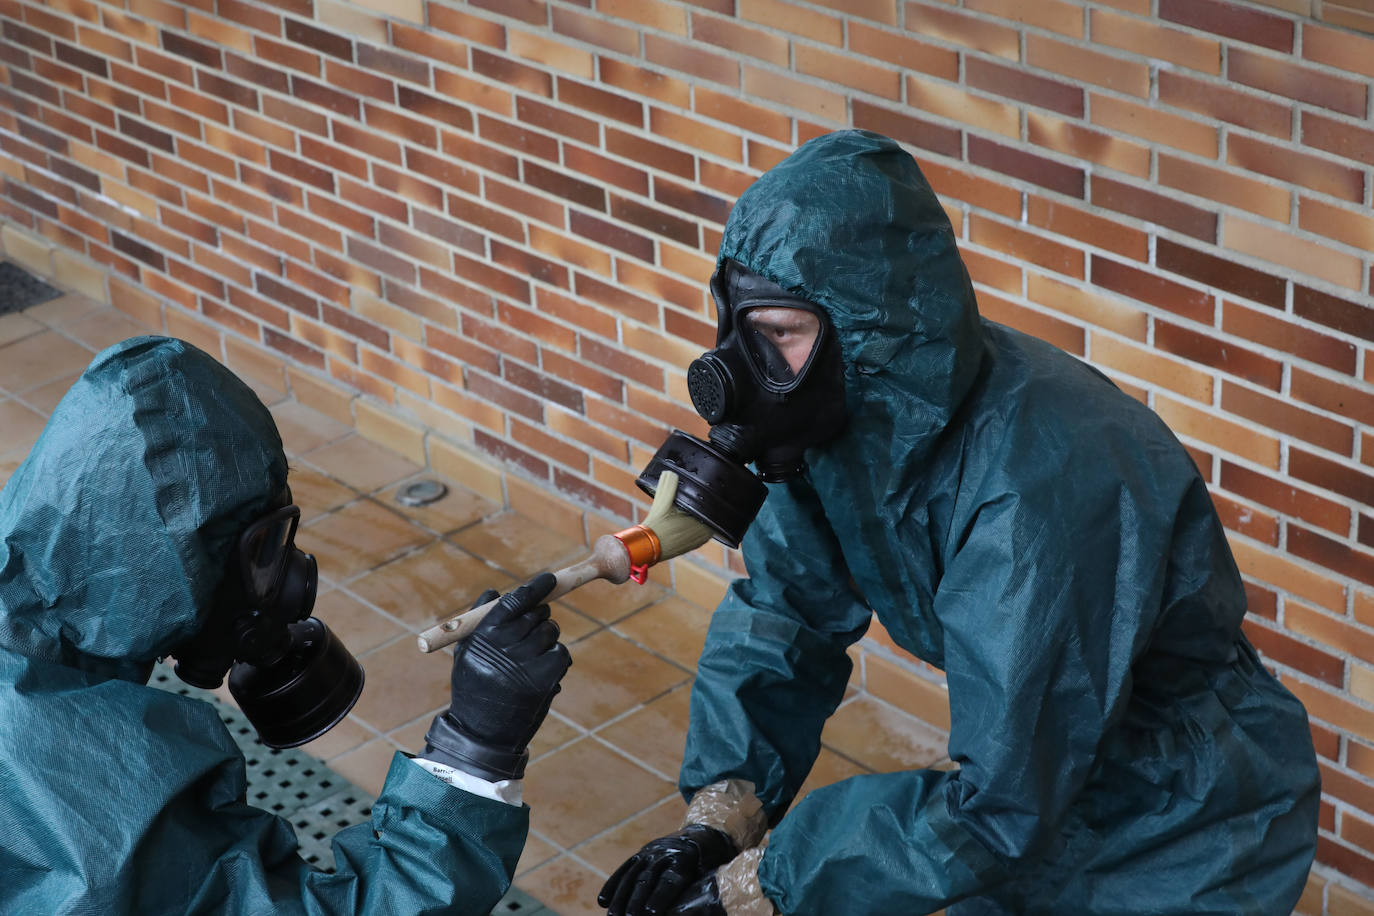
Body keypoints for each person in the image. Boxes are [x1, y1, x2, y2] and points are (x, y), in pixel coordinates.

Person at [598, 130, 1320, 915]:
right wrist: (719, 815)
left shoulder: (1040, 487)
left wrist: (765, 884)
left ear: (870, 329)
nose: (741, 369)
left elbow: (1000, 805)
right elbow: (786, 616)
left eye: (778, 334)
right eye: (738, 328)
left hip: (1182, 819)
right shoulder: (842, 424)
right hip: (1038, 786)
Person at [0, 336, 571, 915]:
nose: (289, 584)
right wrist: (476, 746)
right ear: (162, 565)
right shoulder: (95, 793)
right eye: (262, 550)